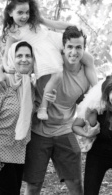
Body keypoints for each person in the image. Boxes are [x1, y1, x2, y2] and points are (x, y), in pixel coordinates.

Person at [0, 0, 97, 121]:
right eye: (20, 13)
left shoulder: (34, 20)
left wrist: (73, 26)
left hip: (52, 39)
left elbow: (54, 24)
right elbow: (6, 54)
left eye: (27, 12)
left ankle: (97, 90)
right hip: (42, 49)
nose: (25, 16)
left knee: (88, 58)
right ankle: (43, 107)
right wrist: (6, 67)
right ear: (10, 13)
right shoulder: (12, 32)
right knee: (57, 74)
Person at [22, 26, 93, 195]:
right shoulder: (47, 62)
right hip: (38, 131)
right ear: (63, 47)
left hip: (65, 131)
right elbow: (19, 65)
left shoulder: (86, 74)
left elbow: (95, 97)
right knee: (33, 185)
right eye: (70, 47)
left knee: (76, 184)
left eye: (78, 47)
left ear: (84, 49)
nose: (74, 52)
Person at [0, 41, 36, 195]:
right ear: (12, 58)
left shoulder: (28, 85)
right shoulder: (0, 85)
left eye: (28, 56)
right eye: (19, 55)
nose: (24, 59)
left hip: (17, 150)